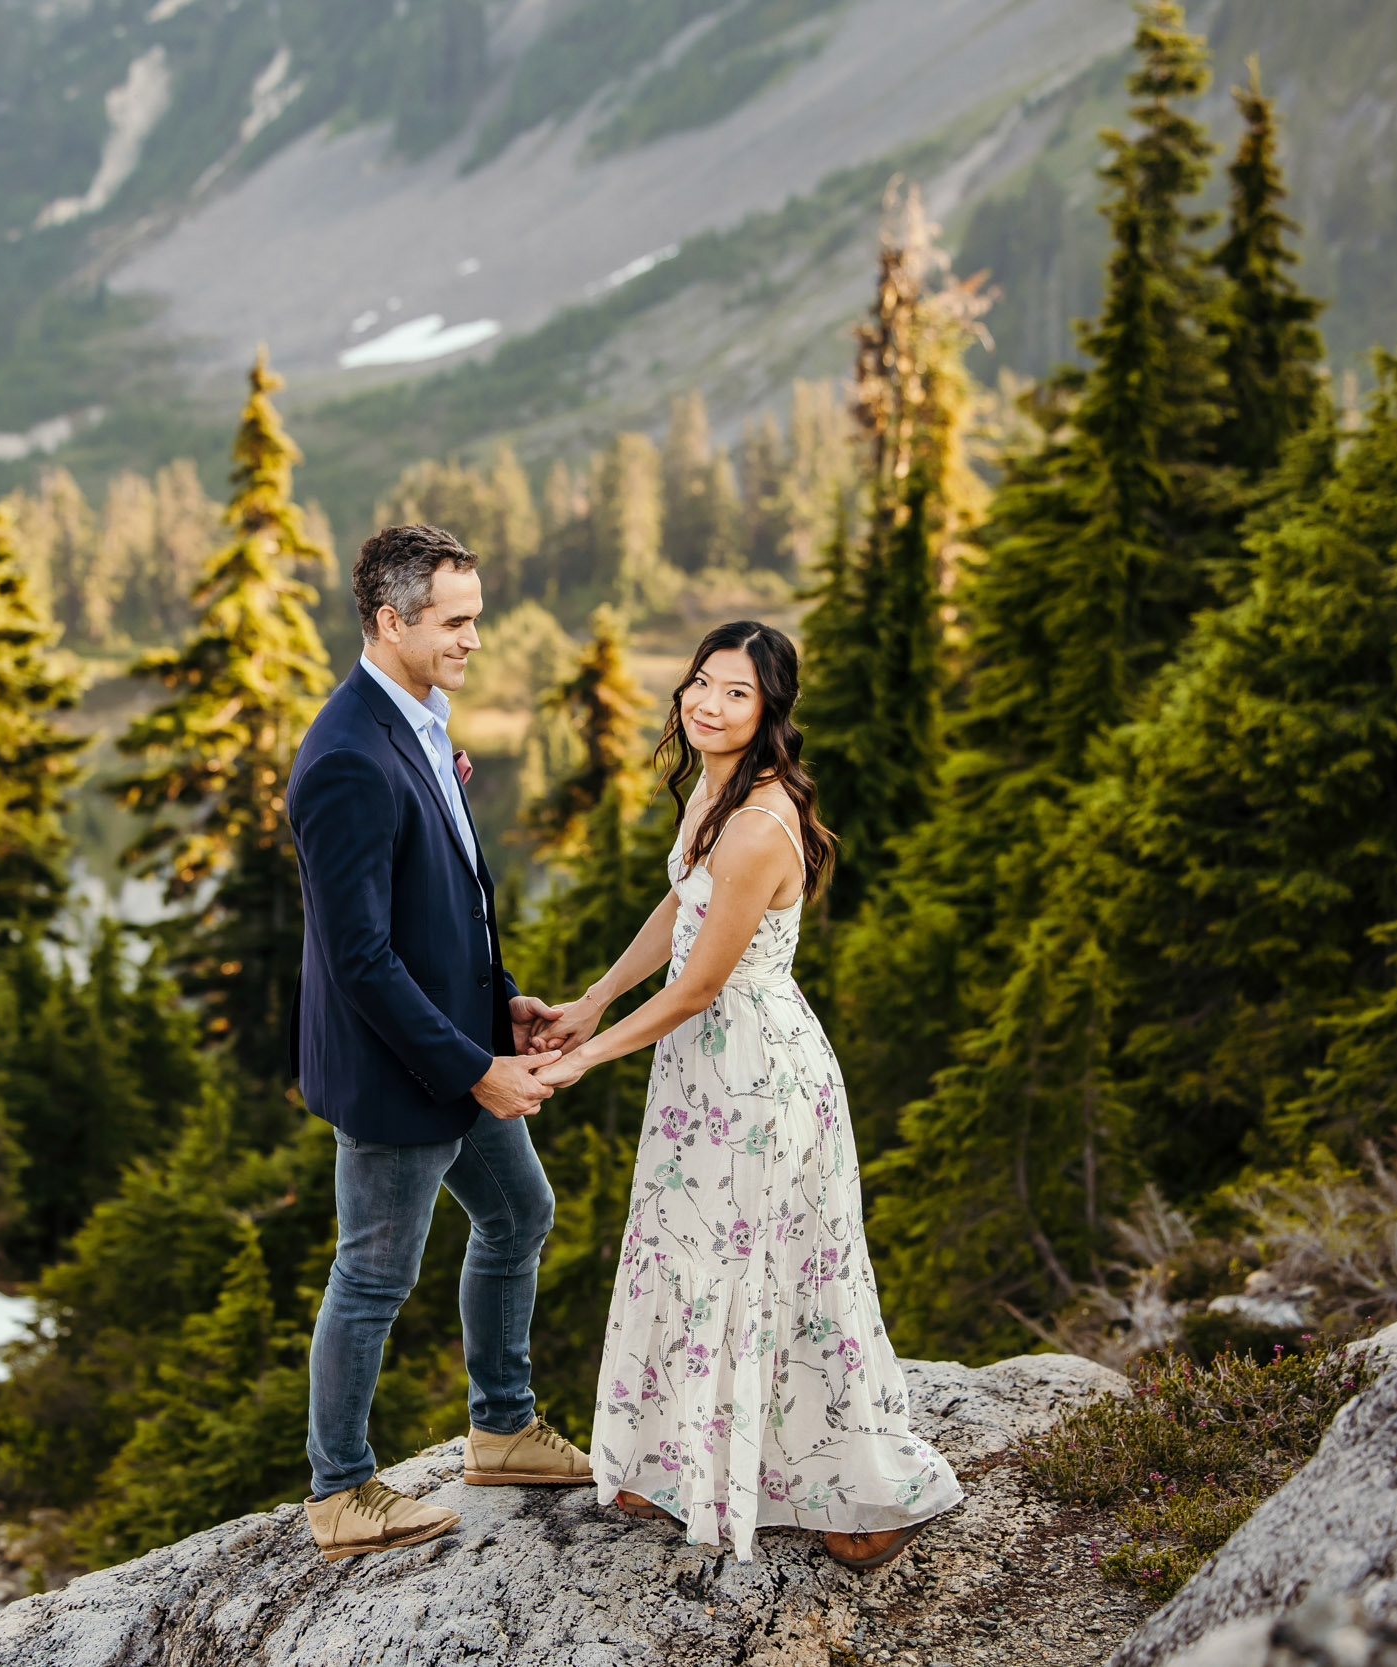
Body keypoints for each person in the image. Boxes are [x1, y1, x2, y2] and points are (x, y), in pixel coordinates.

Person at [532, 619, 963, 1569]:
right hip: (704, 1071)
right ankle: (677, 1458)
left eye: (736, 692)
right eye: (701, 683)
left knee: (779, 1271)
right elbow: (681, 907)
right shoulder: (713, 797)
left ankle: (855, 1486)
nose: (709, 704)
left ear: (770, 711)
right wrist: (591, 997)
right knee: (685, 1257)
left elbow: (698, 985)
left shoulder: (764, 822)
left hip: (756, 1074)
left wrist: (578, 1059)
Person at [285, 523, 594, 1563]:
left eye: (474, 614)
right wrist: (475, 1068)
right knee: (373, 1273)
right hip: (399, 1072)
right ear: (389, 620)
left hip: (461, 1045)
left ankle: (501, 1426)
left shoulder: (420, 721)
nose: (474, 636)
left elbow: (450, 901)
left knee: (520, 1212)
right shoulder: (343, 757)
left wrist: (499, 1001)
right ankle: (338, 1490)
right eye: (455, 619)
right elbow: (362, 958)